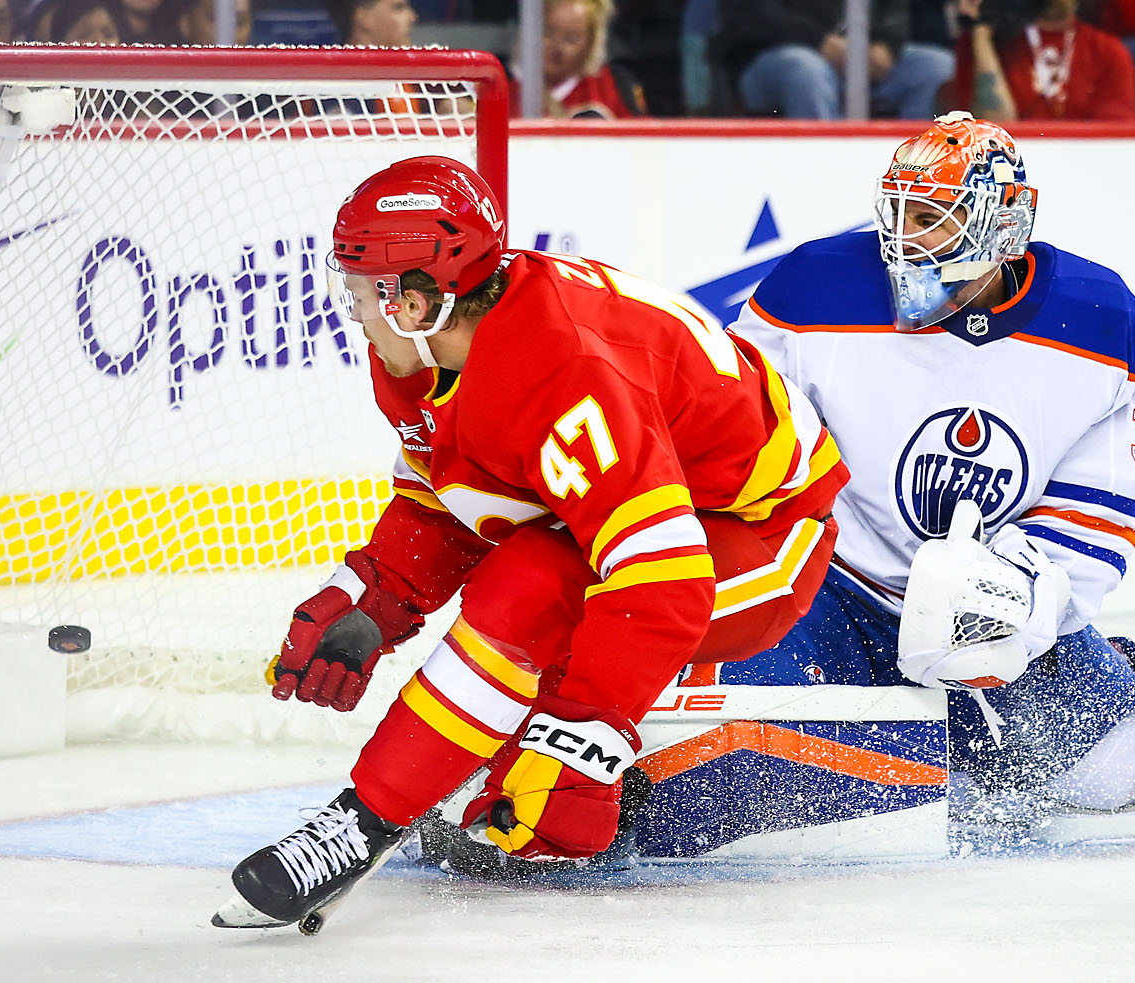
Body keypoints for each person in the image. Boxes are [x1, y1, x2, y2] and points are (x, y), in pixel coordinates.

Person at [213, 156, 848, 929]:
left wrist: (584, 733)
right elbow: (460, 496)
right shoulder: (450, 347)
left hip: (763, 533)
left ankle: (362, 822)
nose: (353, 311)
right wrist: (378, 598)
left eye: (360, 294)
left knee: (528, 588)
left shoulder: (563, 374)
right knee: (526, 579)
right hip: (673, 502)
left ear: (413, 302)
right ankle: (420, 787)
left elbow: (661, 580)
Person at [722, 112, 1135, 833]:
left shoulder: (1103, 322)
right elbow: (737, 433)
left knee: (1115, 773)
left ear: (1004, 226)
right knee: (746, 739)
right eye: (898, 214)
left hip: (996, 596)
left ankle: (1132, 687)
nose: (903, 241)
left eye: (932, 218)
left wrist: (1020, 598)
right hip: (830, 578)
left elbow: (1098, 510)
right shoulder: (812, 289)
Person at [724, 0, 955, 119]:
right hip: (774, 56)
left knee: (934, 66)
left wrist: (887, 46)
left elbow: (896, 11)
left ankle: (914, 173)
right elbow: (754, 13)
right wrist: (818, 41)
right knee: (806, 70)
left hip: (863, 55)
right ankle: (822, 172)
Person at [947, 0, 1135, 119]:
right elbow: (991, 131)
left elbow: (1116, 142)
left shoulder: (1109, 51)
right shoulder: (988, 42)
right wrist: (981, 32)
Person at [512, 0, 646, 118]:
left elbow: (643, 139)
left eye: (571, 39)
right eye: (548, 33)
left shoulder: (612, 85)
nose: (557, 47)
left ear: (590, 45)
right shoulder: (501, 84)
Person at [150, 0, 250, 44]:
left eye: (239, 22)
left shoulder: (261, 84)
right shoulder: (165, 83)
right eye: (216, 20)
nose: (228, 32)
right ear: (186, 24)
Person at [326, 0, 414, 47]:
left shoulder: (410, 77)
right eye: (398, 8)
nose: (412, 17)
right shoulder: (329, 79)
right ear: (364, 17)